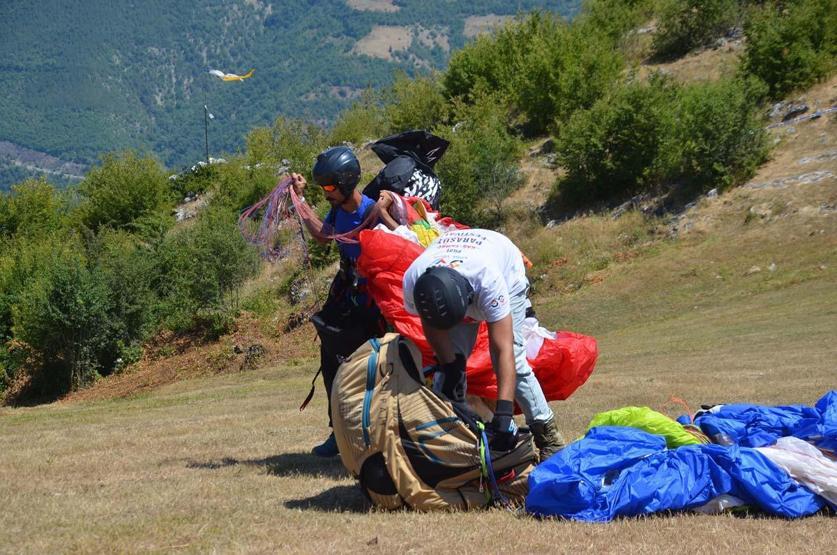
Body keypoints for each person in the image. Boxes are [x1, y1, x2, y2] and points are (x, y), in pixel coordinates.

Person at [402, 228, 564, 459]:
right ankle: (452, 439)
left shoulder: (488, 279)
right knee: (447, 375)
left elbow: (503, 349)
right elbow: (431, 324)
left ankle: (548, 438)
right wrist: (451, 365)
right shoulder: (414, 279)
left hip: (505, 271)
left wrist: (504, 413)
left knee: (515, 362)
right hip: (453, 273)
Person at [291, 146, 389, 457]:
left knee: (374, 365)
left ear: (347, 183)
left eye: (330, 188)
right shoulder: (339, 210)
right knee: (331, 356)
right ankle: (339, 431)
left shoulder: (372, 212)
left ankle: (379, 432)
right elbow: (324, 235)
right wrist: (300, 199)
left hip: (372, 297)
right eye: (323, 188)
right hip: (347, 290)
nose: (326, 194)